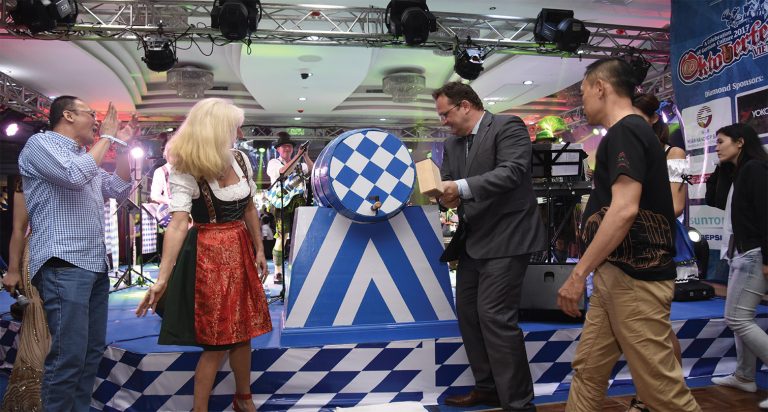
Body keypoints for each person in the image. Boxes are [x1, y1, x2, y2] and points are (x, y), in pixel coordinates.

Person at [556, 58, 700, 411]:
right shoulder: (629, 133)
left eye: (583, 92)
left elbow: (626, 209)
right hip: (616, 273)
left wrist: (578, 273)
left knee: (662, 391)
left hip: (635, 279)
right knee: (588, 370)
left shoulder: (628, 131)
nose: (582, 102)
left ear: (601, 88)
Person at [135, 98, 271, 412]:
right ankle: (200, 409)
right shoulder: (186, 166)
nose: (239, 133)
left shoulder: (240, 159)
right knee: (217, 340)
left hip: (239, 249)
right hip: (208, 256)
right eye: (234, 127)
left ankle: (244, 398)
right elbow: (178, 223)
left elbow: (249, 208)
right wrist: (162, 278)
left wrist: (259, 249)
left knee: (243, 331)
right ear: (216, 129)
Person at [433, 81, 547, 411]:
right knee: (469, 315)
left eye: (446, 114)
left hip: (509, 237)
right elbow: (449, 184)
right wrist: (444, 197)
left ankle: (519, 403)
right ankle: (488, 388)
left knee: (495, 316)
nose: (444, 122)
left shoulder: (507, 126)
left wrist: (459, 188)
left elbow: (511, 172)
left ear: (465, 105)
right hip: (473, 240)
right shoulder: (452, 144)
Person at [18, 96, 135, 411]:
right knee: (68, 355)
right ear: (68, 115)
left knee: (90, 353)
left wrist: (123, 148)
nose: (96, 121)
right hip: (63, 263)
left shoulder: (86, 157)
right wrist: (107, 137)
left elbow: (119, 188)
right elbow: (73, 176)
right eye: (91, 114)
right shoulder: (40, 145)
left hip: (94, 264)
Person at [627, 93, 689, 412]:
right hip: (630, 246)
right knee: (642, 328)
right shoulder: (630, 152)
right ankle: (652, 394)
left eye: (637, 116)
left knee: (657, 327)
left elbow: (677, 204)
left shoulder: (673, 153)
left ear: (653, 119)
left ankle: (665, 395)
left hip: (659, 244)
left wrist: (630, 214)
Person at [706, 123, 768, 409]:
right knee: (742, 318)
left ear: (740, 142)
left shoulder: (755, 169)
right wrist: (721, 168)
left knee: (738, 319)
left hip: (753, 255)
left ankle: (745, 374)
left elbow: (766, 215)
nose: (716, 147)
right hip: (740, 255)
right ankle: (744, 375)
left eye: (721, 142)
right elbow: (715, 200)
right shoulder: (739, 171)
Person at [1, 179, 51, 412]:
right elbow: (19, 229)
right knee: (38, 326)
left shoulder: (74, 173)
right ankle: (31, 399)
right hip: (38, 257)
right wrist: (12, 270)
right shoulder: (27, 181)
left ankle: (58, 395)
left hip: (74, 258)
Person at [266, 132, 313, 284]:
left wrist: (305, 156)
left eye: (289, 146)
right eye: (284, 146)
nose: (287, 148)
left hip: (299, 202)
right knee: (282, 236)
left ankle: (298, 268)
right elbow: (283, 172)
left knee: (299, 236)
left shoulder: (300, 164)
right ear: (278, 149)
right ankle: (278, 271)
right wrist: (298, 156)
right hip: (282, 204)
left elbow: (312, 170)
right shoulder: (273, 163)